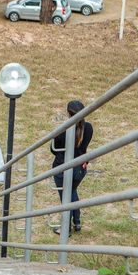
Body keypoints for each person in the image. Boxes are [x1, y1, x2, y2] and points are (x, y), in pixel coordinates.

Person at [50, 100, 93, 234]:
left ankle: (66, 228)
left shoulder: (64, 130)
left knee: (66, 198)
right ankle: (77, 222)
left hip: (62, 168)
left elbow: (54, 149)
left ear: (68, 113)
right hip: (80, 167)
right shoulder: (89, 127)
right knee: (72, 192)